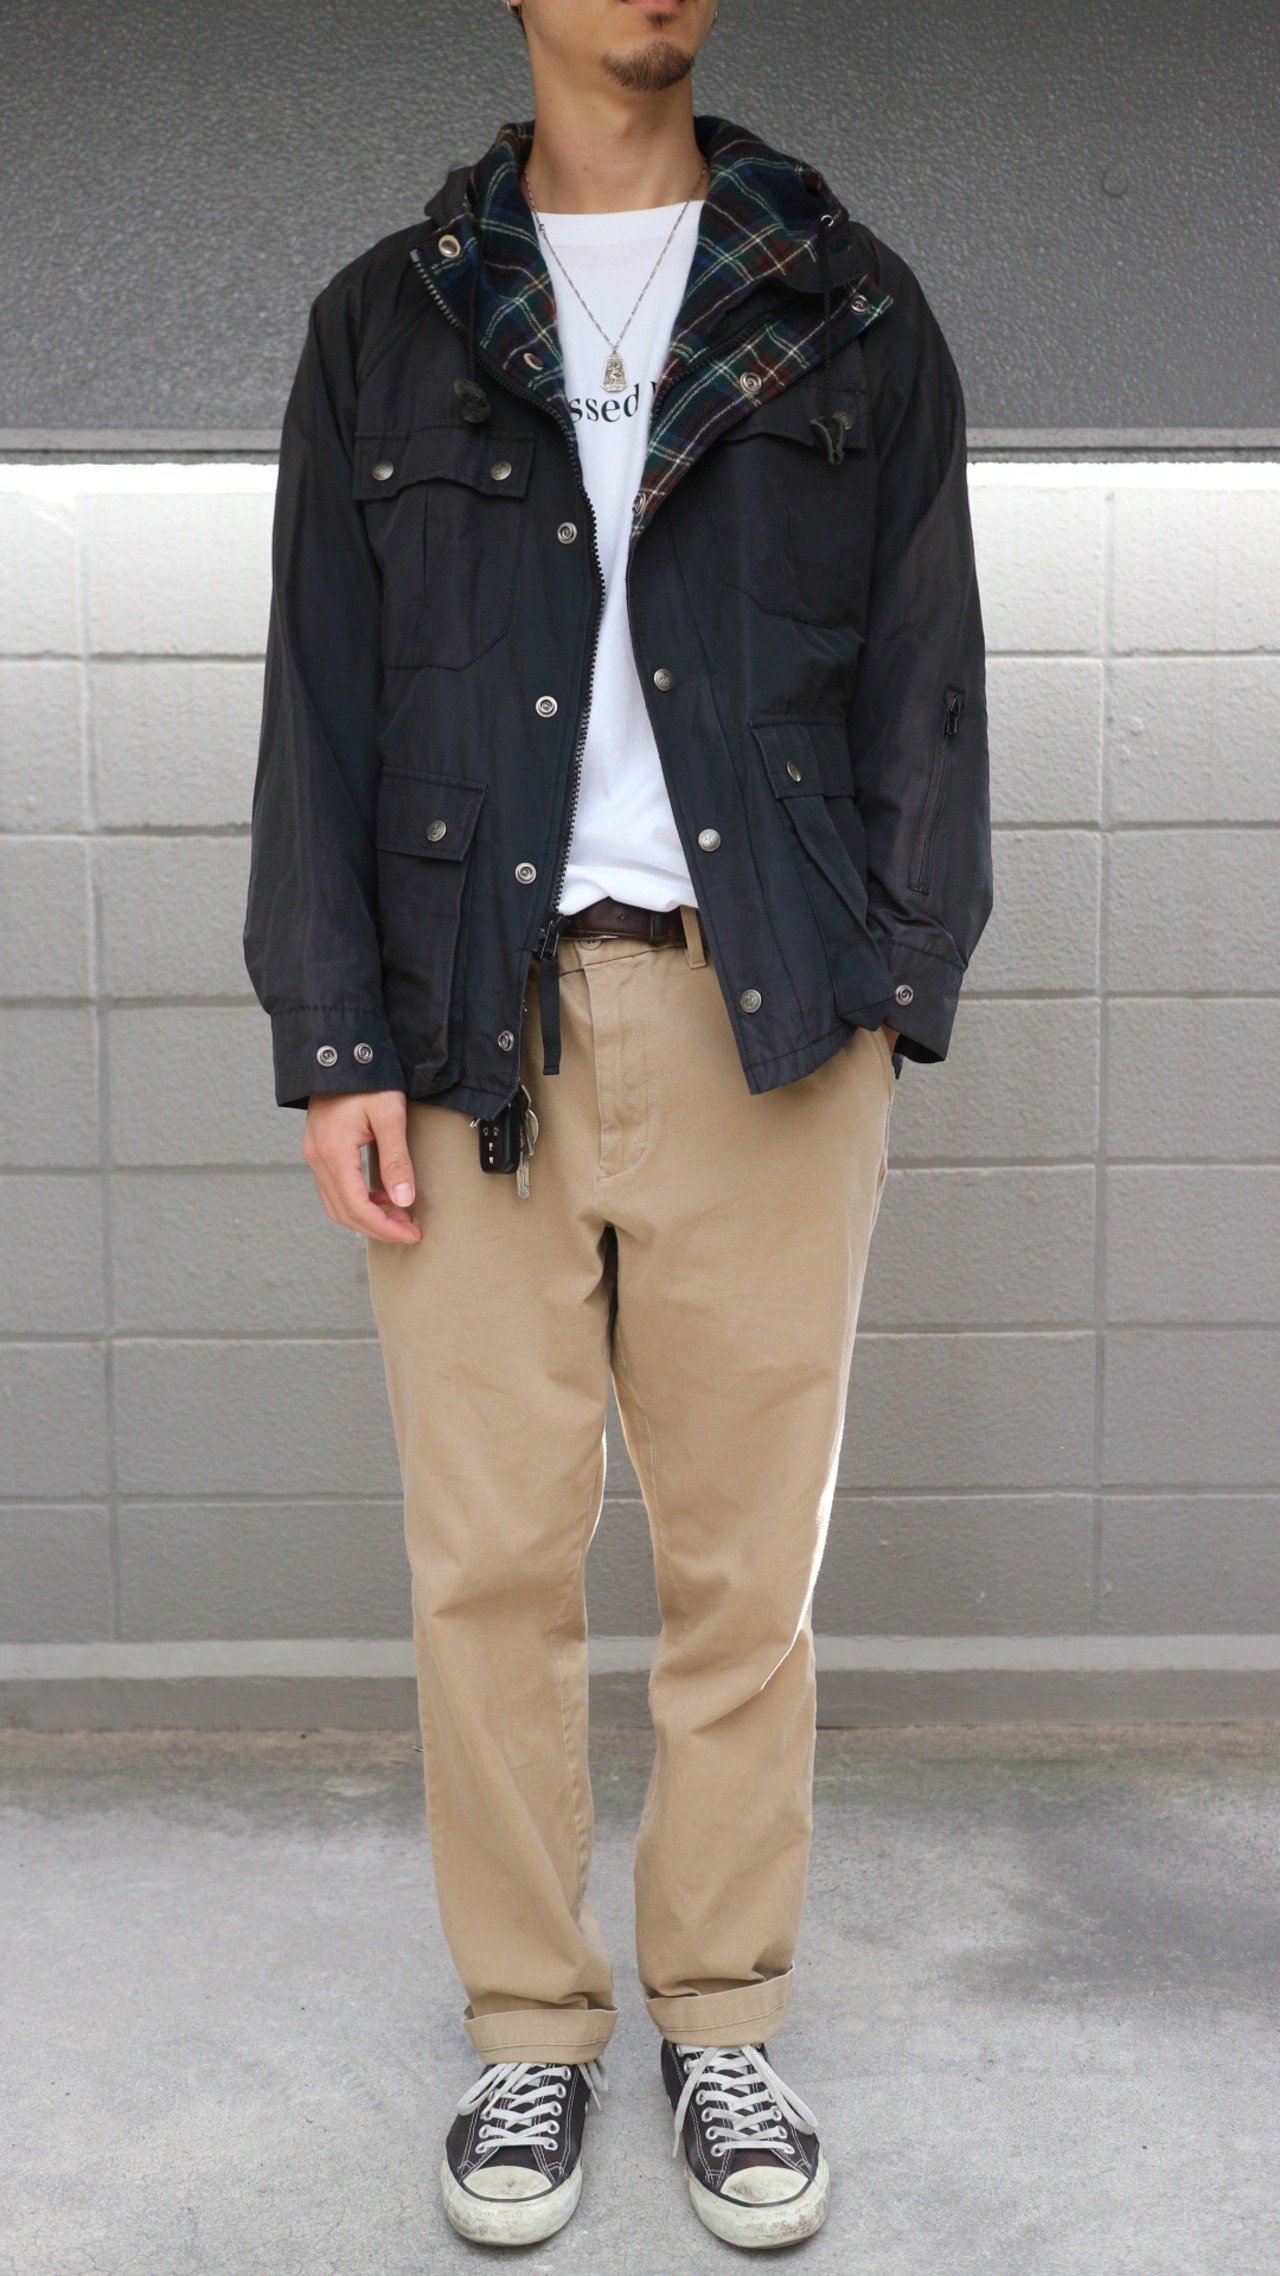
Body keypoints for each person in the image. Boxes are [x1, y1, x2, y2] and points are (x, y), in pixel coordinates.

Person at [245, 0, 990, 2250]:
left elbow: (928, 682)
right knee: (486, 1566)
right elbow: (318, 702)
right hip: (465, 1022)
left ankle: (722, 2011)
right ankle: (528, 2035)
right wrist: (335, 1040)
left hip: (766, 1018)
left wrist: (887, 993)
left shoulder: (843, 304)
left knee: (745, 1577)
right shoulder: (389, 322)